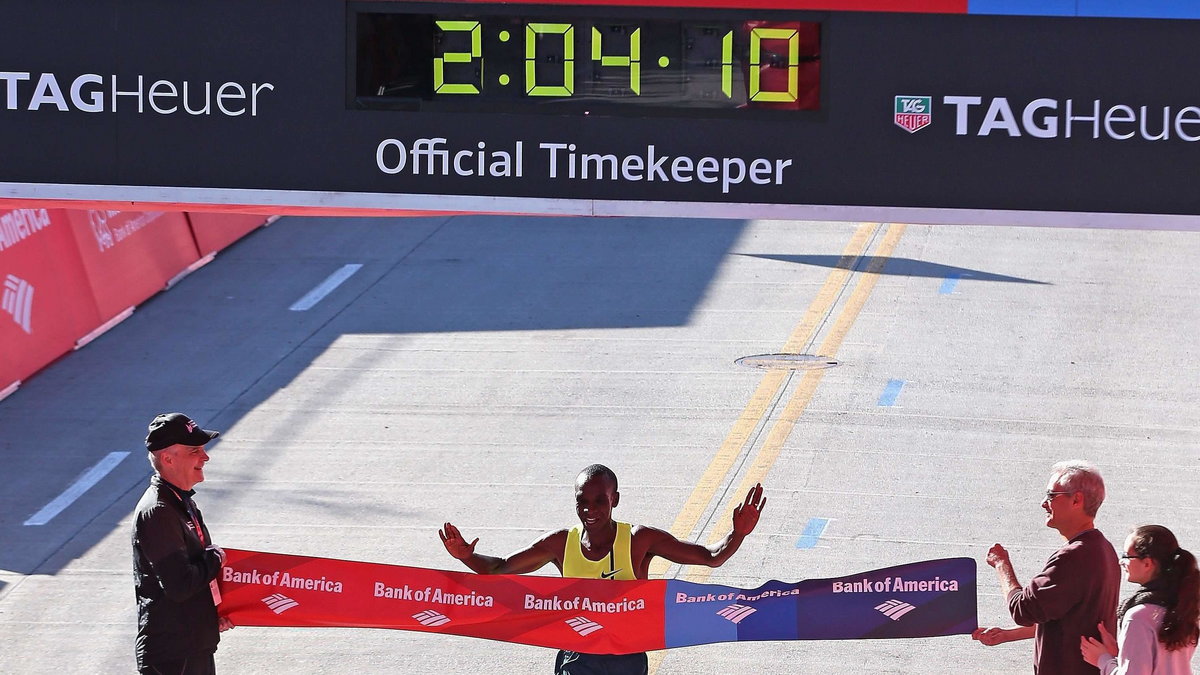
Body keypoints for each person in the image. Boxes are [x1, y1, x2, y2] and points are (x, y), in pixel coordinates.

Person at [439, 464, 766, 675]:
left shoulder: (639, 541)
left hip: (626, 658)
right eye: (583, 501)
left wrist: (738, 533)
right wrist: (465, 556)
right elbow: (499, 570)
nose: (590, 510)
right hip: (578, 657)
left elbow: (711, 558)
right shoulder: (559, 544)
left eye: (600, 501)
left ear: (616, 500)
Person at [972, 459, 1121, 674]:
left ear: (1076, 500)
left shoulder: (1073, 557)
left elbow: (1022, 609)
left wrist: (1001, 564)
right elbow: (1061, 616)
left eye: (1052, 495)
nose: (1044, 502)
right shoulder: (1102, 549)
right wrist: (1006, 635)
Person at [133, 413, 234, 675]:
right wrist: (216, 558)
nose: (205, 456)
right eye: (195, 450)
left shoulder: (181, 501)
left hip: (191, 645)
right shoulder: (158, 511)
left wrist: (210, 613)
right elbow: (180, 585)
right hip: (172, 656)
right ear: (168, 458)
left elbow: (191, 574)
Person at [1080, 524, 1198, 674]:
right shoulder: (1185, 607)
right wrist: (1122, 652)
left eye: (1126, 556)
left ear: (1147, 563)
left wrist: (1102, 660)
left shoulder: (1139, 617)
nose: (1120, 561)